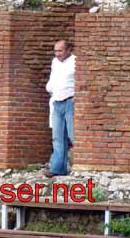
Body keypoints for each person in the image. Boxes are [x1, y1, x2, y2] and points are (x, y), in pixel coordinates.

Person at [44, 39, 75, 177]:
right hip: (57, 101)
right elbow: (53, 78)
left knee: (73, 135)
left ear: (68, 50)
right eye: (55, 51)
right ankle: (57, 168)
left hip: (70, 101)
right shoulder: (55, 62)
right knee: (57, 137)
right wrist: (49, 88)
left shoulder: (75, 61)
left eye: (60, 51)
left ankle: (78, 165)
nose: (57, 54)